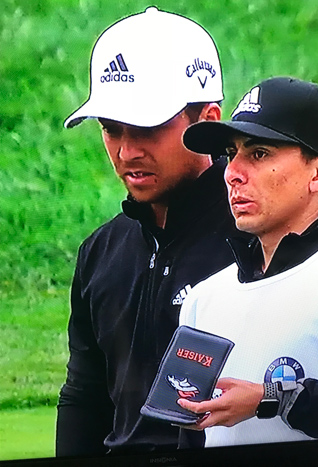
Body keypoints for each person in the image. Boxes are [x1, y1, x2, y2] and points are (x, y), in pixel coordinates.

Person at [56, 7, 250, 456]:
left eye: (146, 129)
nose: (126, 151)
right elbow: (84, 397)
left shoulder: (263, 239)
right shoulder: (100, 252)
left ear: (207, 120)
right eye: (111, 129)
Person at [177, 77, 318, 447]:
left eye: (259, 154)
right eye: (230, 153)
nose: (231, 173)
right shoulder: (203, 299)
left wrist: (271, 398)